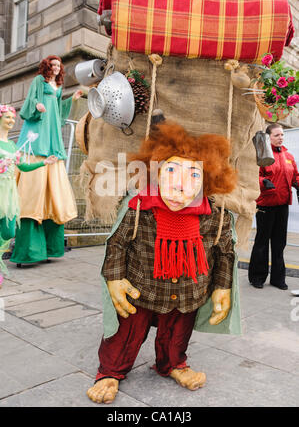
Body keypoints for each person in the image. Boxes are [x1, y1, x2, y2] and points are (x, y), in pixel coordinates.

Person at [86, 122, 241, 404]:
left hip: (189, 291)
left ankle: (172, 363)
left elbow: (225, 253)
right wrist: (114, 277)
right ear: (155, 172)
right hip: (141, 288)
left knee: (178, 332)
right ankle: (110, 371)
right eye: (171, 170)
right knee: (126, 333)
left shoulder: (217, 217)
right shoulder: (137, 209)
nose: (180, 184)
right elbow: (117, 243)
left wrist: (222, 288)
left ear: (207, 179)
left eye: (193, 173)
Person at [10, 55, 82, 267]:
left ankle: (51, 248)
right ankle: (28, 251)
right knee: (32, 193)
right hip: (37, 134)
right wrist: (37, 105)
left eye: (59, 66)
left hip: (53, 137)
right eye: (53, 65)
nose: (57, 69)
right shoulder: (38, 81)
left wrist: (72, 99)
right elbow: (30, 102)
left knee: (54, 195)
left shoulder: (58, 85)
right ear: (47, 67)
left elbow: (58, 111)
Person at [0, 104, 57, 286]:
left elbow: (23, 166)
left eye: (12, 118)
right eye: (7, 117)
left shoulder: (11, 145)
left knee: (8, 232)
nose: (11, 120)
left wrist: (44, 163)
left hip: (9, 194)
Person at [248, 123, 299, 290]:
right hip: (266, 205)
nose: (280, 138)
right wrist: (263, 182)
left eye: (282, 135)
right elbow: (253, 176)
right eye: (276, 135)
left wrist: (297, 183)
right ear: (268, 137)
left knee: (279, 243)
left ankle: (278, 279)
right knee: (262, 242)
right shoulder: (262, 155)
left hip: (282, 206)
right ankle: (257, 277)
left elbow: (294, 176)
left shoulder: (288, 156)